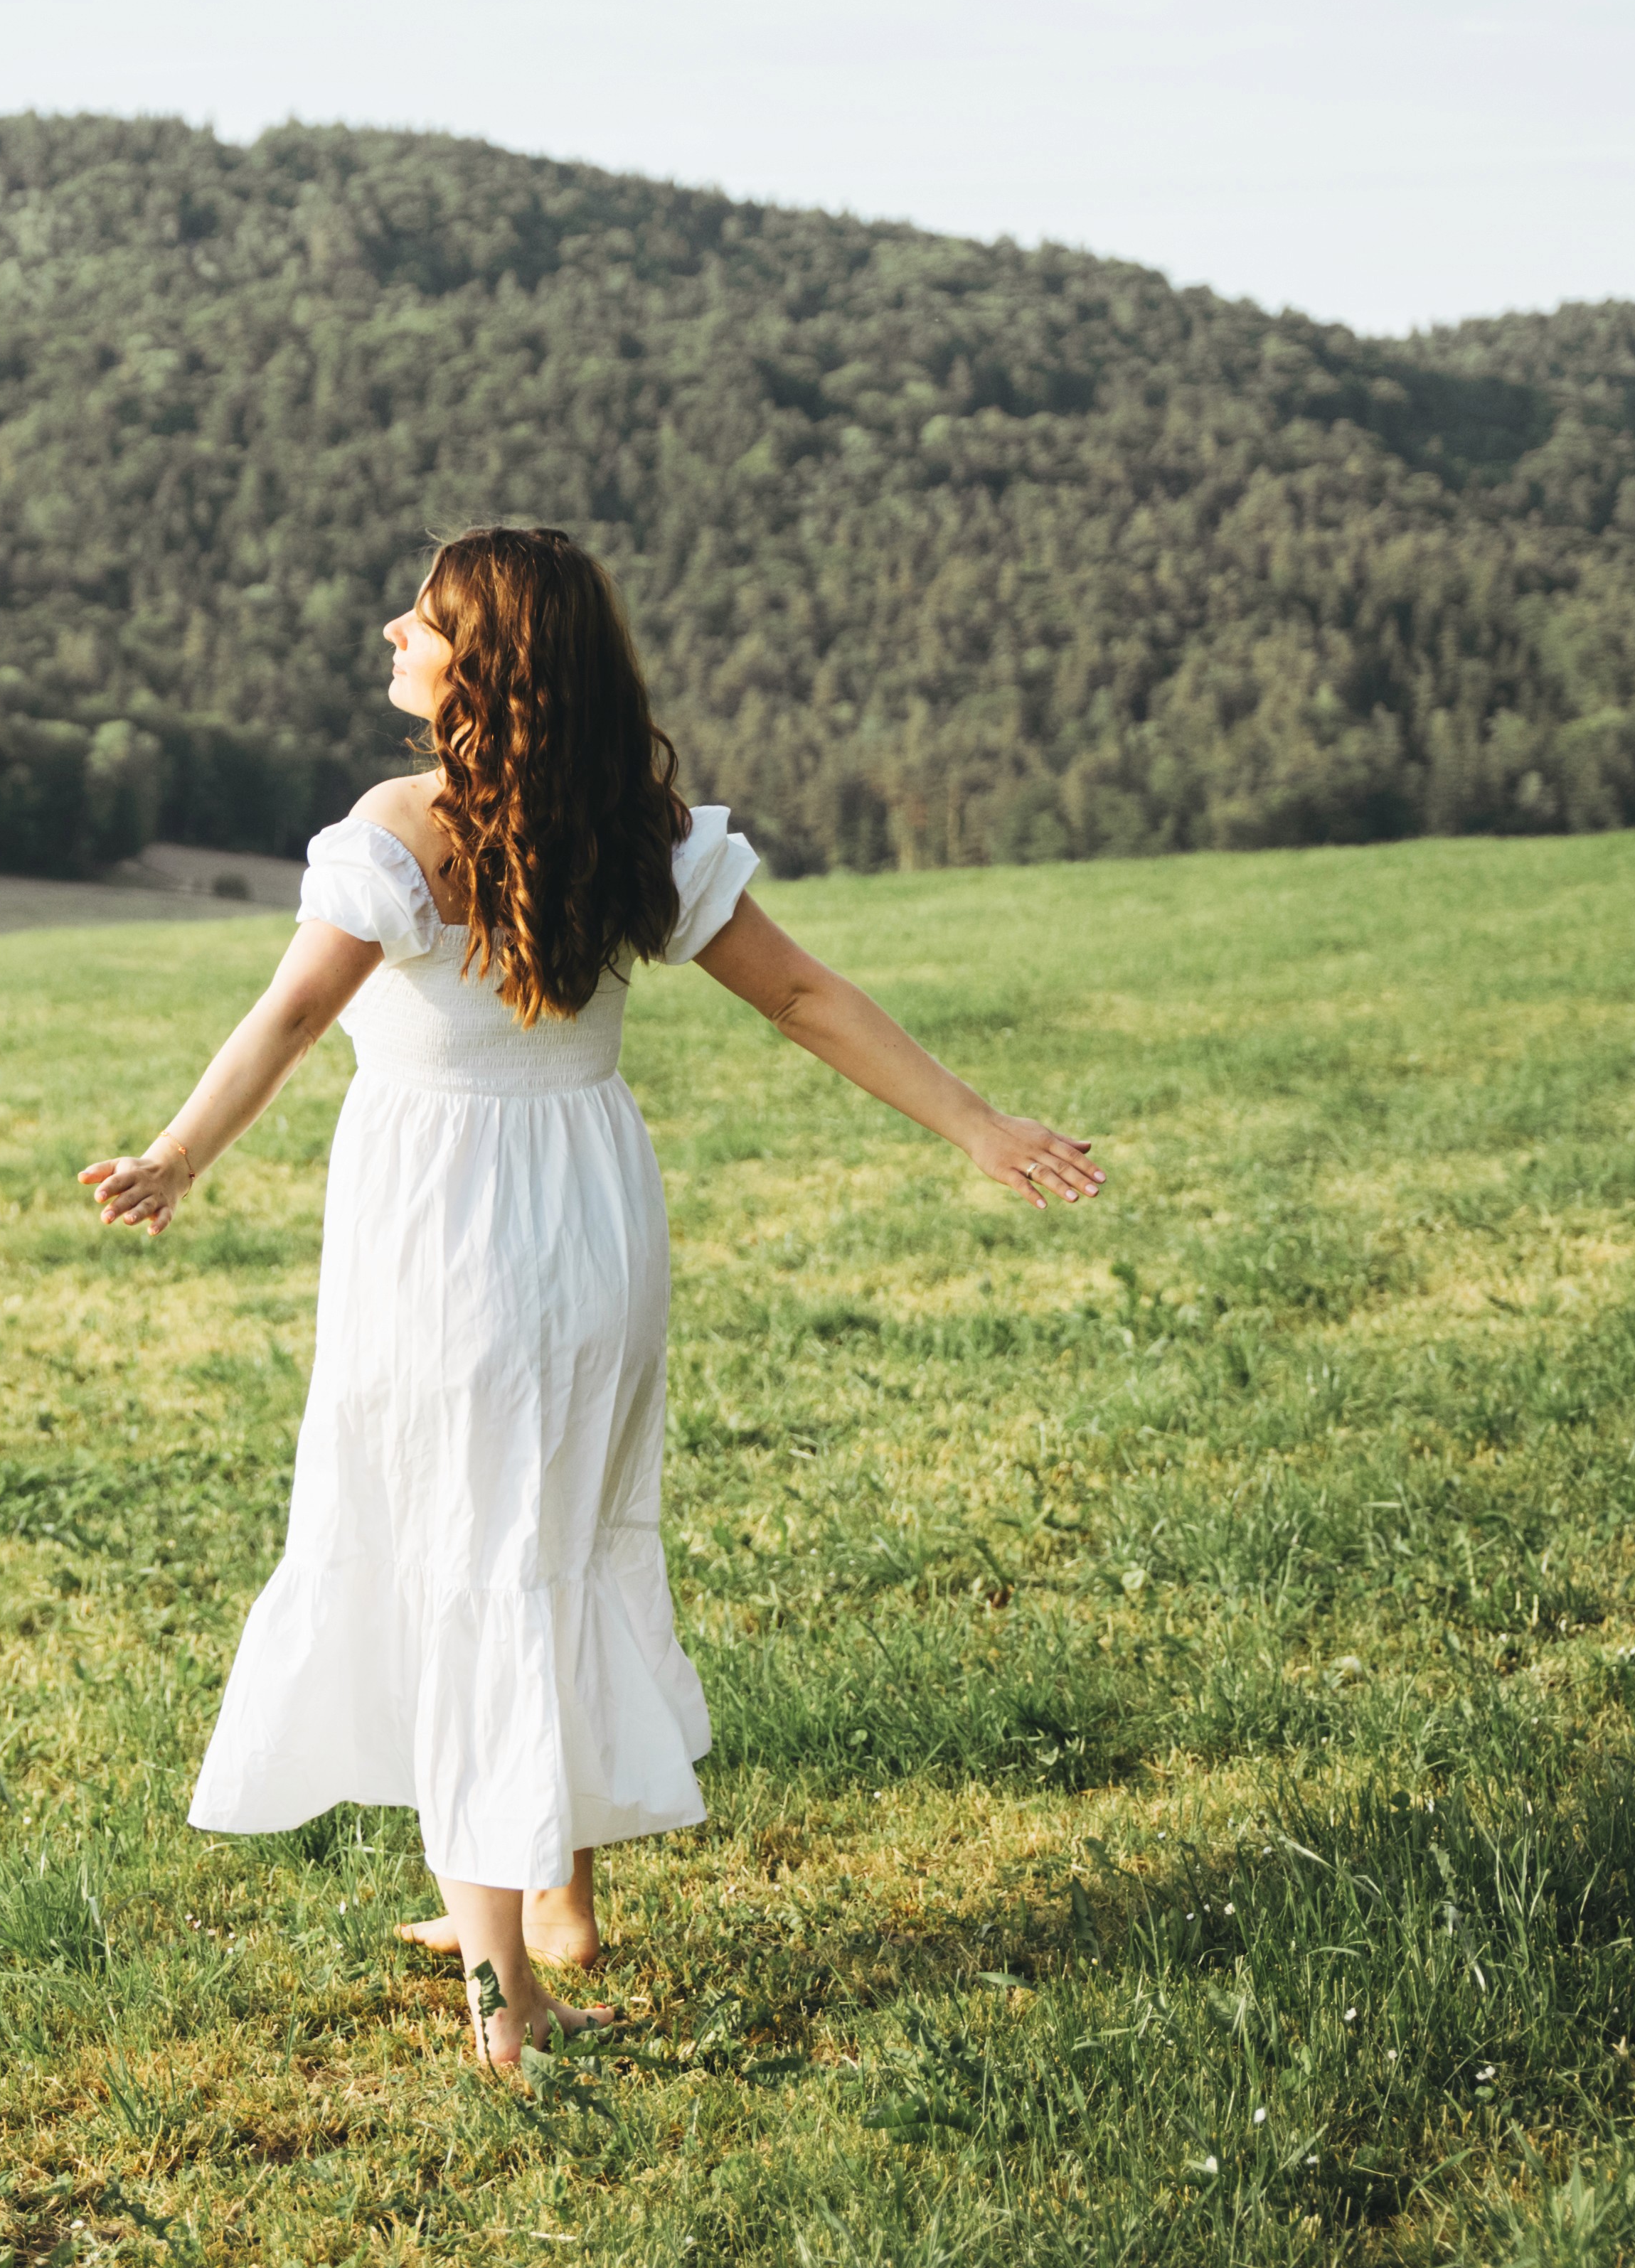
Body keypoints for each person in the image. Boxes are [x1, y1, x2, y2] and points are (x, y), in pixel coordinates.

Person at [79, 526, 1102, 2070]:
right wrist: (981, 1124)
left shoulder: (401, 828)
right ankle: (540, 1904)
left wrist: (173, 1155)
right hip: (595, 1218)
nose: (388, 636)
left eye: (420, 624)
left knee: (470, 1564)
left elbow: (292, 1016)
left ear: (482, 667)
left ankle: (507, 2003)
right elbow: (807, 996)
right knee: (542, 1544)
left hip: (447, 1234)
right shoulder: (647, 829)